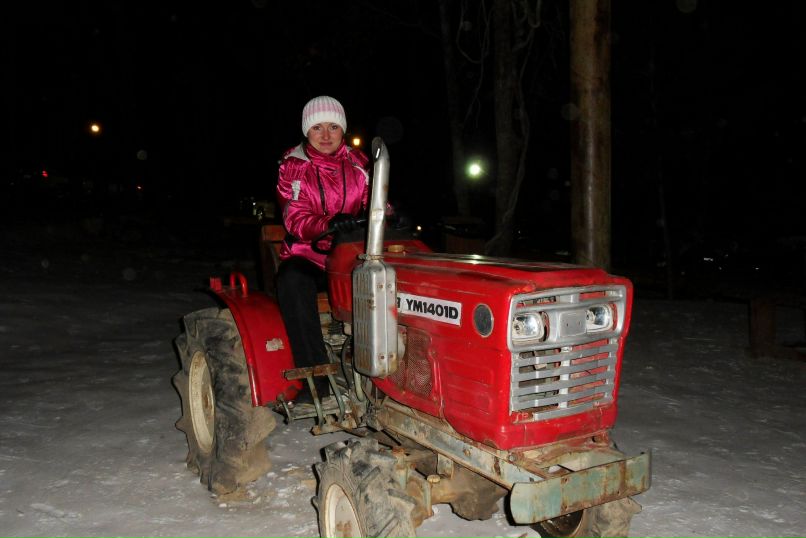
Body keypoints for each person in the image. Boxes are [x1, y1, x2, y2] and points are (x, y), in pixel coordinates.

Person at [275, 95, 369, 403]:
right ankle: (314, 376)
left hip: (352, 254)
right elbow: (294, 216)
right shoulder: (294, 167)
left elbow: (375, 203)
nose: (326, 135)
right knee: (292, 280)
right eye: (317, 127)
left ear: (343, 130)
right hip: (310, 255)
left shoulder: (360, 165)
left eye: (333, 127)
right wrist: (329, 223)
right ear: (306, 131)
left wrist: (392, 213)